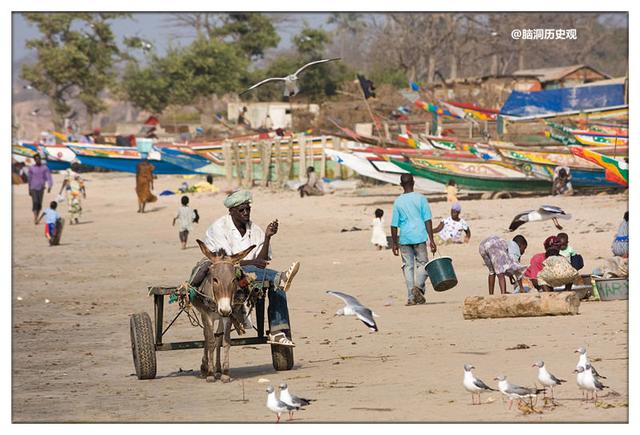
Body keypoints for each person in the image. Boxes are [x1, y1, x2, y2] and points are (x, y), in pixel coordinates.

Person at [191, 191, 300, 347]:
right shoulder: (219, 228)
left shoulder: (254, 229)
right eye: (241, 210)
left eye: (248, 209)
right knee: (273, 277)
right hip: (223, 276)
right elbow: (226, 264)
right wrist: (254, 262)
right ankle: (279, 277)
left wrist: (268, 237)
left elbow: (262, 261)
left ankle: (277, 330)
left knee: (277, 285)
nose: (246, 213)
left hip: (247, 274)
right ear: (231, 211)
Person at [391, 173, 437, 306]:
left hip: (405, 237)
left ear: (401, 185)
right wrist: (431, 239)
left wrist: (394, 243)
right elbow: (427, 220)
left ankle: (411, 297)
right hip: (419, 236)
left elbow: (394, 225)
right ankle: (418, 288)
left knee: (408, 267)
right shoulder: (421, 198)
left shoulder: (398, 201)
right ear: (414, 182)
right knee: (423, 264)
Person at [27, 154, 53, 224]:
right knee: (35, 202)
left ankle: (37, 216)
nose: (38, 160)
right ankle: (35, 218)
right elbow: (29, 179)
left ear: (40, 159)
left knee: (39, 204)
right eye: (36, 159)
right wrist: (29, 189)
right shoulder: (31, 168)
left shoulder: (45, 168)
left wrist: (50, 186)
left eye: (39, 159)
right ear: (34, 160)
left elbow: (48, 177)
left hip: (41, 188)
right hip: (33, 187)